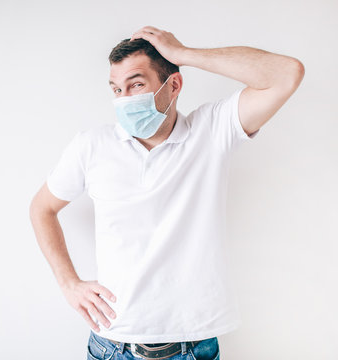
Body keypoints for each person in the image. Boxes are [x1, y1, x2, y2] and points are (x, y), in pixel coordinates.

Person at [29, 26, 304, 360]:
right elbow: (42, 208)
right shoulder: (92, 146)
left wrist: (184, 55)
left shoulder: (211, 131)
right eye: (117, 89)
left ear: (173, 85)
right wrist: (68, 283)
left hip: (194, 346)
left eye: (137, 85)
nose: (125, 99)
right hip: (112, 345)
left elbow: (287, 74)